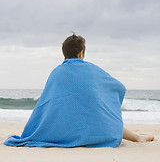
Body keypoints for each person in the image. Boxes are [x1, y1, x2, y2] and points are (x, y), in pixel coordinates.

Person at [4, 34, 154, 148]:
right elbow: (119, 87)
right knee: (108, 120)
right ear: (81, 53)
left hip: (64, 128)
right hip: (95, 129)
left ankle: (137, 137)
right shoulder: (92, 70)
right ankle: (137, 137)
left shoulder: (56, 72)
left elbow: (46, 103)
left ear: (64, 53)